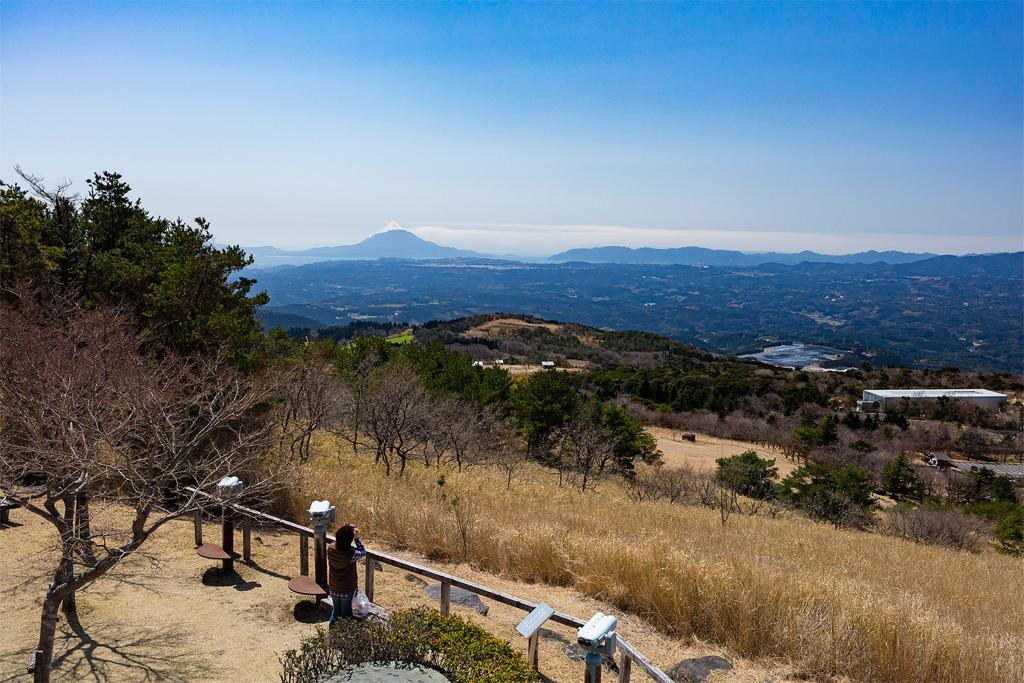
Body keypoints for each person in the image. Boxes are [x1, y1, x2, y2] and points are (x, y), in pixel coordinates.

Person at [327, 523, 366, 628]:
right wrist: (357, 538)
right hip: (347, 589)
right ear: (349, 540)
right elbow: (363, 552)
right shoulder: (351, 554)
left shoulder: (331, 548)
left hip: (334, 586)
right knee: (346, 616)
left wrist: (346, 528)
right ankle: (343, 639)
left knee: (335, 613)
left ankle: (331, 636)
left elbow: (340, 540)